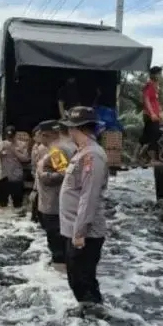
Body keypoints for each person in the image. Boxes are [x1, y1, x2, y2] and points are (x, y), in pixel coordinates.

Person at [59, 106, 108, 314]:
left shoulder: (92, 156)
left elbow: (89, 197)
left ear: (76, 128)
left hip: (84, 233)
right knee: (76, 276)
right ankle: (88, 313)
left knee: (83, 278)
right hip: (75, 228)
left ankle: (95, 319)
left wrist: (79, 232)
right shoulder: (83, 153)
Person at [37, 120, 77, 272]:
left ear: (45, 134)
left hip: (54, 203)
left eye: (40, 135)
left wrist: (43, 175)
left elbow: (63, 173)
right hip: (66, 201)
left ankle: (60, 272)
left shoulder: (56, 149)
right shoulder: (70, 145)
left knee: (57, 243)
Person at [0, 125, 29, 214]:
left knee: (17, 204)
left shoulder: (22, 145)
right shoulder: (3, 144)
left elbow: (26, 159)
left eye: (12, 136)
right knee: (2, 203)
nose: (10, 139)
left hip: (16, 177)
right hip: (4, 176)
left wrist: (14, 150)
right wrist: (1, 153)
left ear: (15, 135)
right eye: (8, 137)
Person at [138, 66, 163, 165]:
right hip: (150, 115)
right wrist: (152, 113)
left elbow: (157, 101)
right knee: (154, 136)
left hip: (155, 114)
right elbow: (147, 100)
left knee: (147, 136)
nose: (161, 76)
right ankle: (153, 159)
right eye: (159, 74)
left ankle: (140, 156)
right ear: (154, 74)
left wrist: (160, 112)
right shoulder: (149, 85)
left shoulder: (156, 85)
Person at [30, 126, 48, 223]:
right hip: (37, 176)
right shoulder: (35, 147)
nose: (40, 136)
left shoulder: (47, 147)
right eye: (38, 135)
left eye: (41, 134)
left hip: (44, 177)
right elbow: (34, 164)